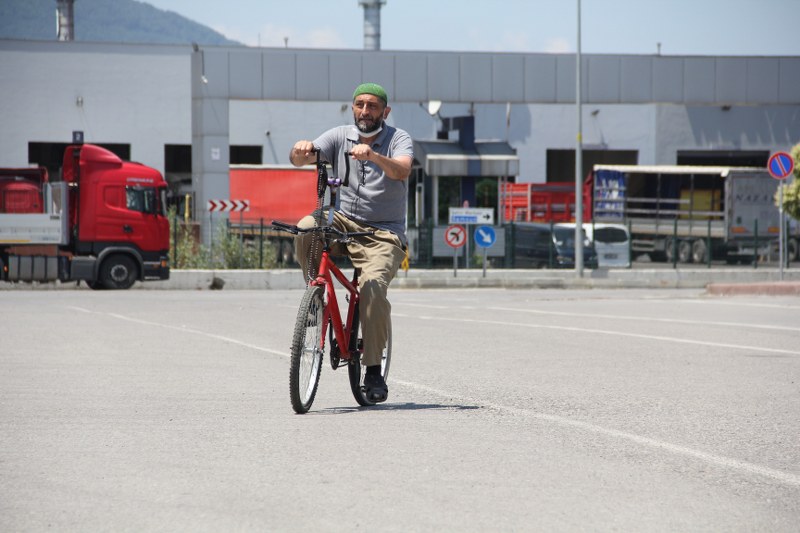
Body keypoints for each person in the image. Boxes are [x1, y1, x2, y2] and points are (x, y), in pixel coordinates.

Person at [289, 82, 413, 403]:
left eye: (372, 106)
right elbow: (300, 159)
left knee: (372, 288)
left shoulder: (398, 139)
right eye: (359, 104)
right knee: (306, 227)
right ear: (352, 107)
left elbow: (402, 170)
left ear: (385, 111)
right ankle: (314, 296)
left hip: (382, 233)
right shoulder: (339, 135)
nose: (365, 111)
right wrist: (301, 151)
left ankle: (372, 370)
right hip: (344, 221)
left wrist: (373, 156)